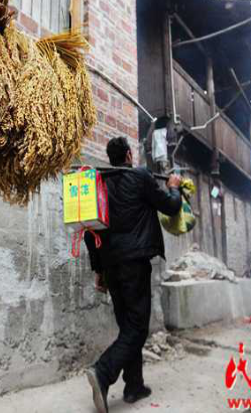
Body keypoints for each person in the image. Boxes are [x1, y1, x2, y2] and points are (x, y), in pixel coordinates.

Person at [85, 137, 183, 413]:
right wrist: (173, 187)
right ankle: (103, 372)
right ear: (129, 155)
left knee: (129, 328)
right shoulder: (140, 177)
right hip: (134, 264)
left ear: (110, 158)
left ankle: (134, 386)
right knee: (137, 328)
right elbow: (171, 207)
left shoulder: (100, 183)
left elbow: (91, 233)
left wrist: (99, 270)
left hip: (111, 267)